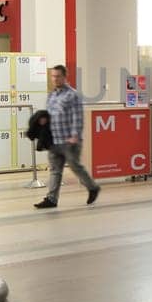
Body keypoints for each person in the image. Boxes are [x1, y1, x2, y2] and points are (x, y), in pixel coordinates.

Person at [33, 64, 100, 209]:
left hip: (69, 140)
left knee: (75, 167)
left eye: (58, 76)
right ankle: (51, 199)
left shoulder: (72, 95)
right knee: (55, 170)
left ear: (64, 77)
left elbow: (78, 116)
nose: (55, 79)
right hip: (54, 140)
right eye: (53, 76)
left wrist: (75, 135)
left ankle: (92, 187)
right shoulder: (51, 95)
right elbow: (51, 115)